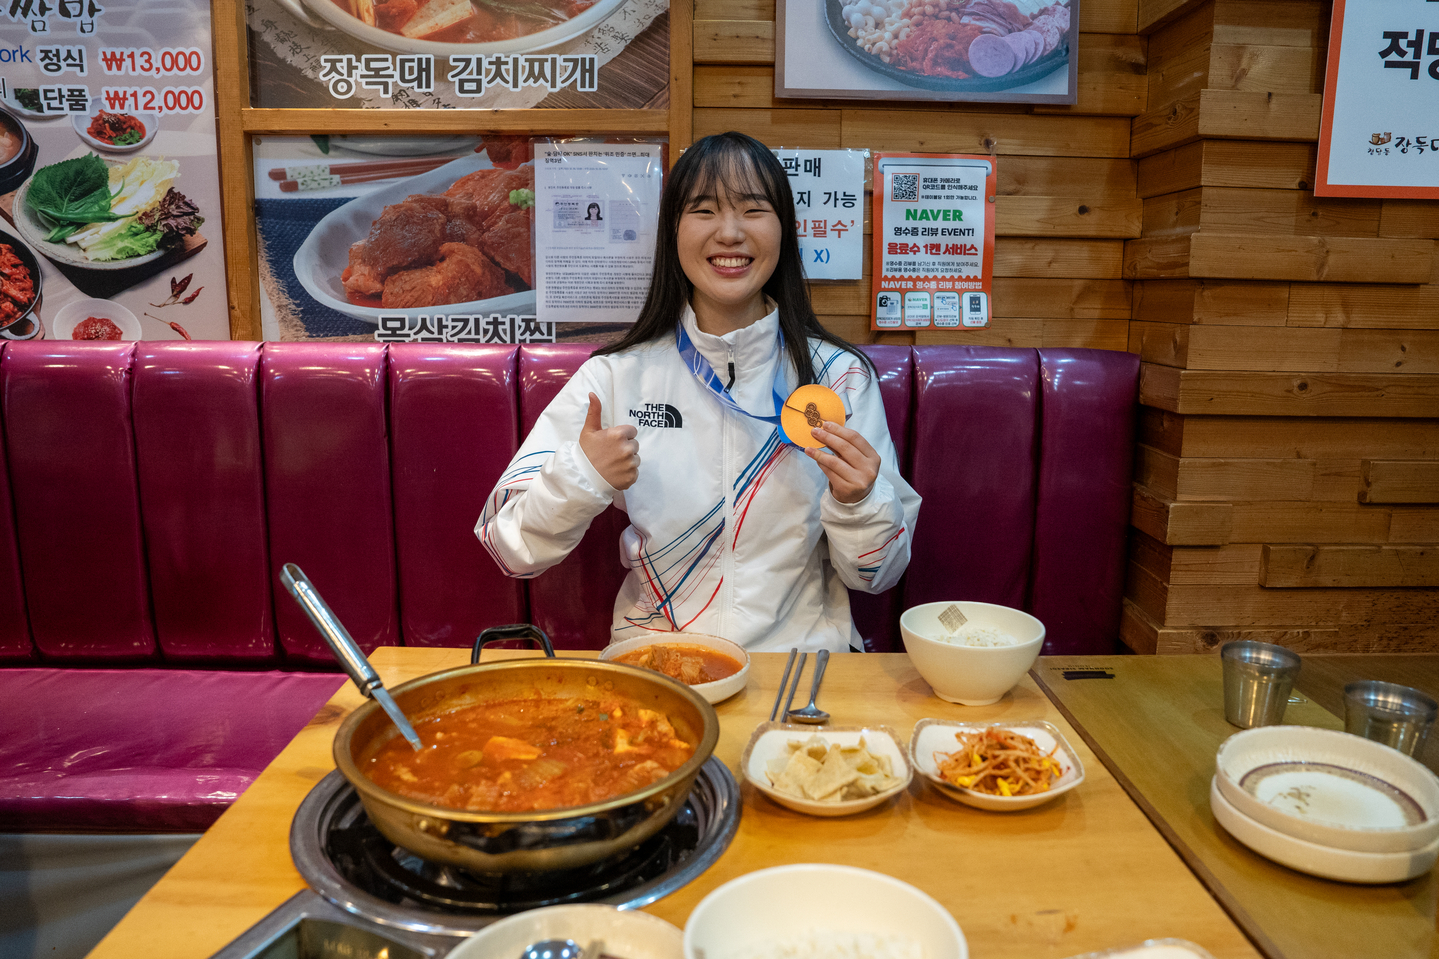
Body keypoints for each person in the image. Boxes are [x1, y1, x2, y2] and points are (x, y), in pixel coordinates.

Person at [476, 132, 920, 653]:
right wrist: (583, 476)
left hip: (801, 666)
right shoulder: (616, 377)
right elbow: (510, 547)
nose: (729, 233)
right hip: (660, 659)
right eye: (704, 210)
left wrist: (859, 502)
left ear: (784, 230)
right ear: (674, 232)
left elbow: (877, 577)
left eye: (754, 209)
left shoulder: (838, 377)